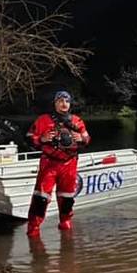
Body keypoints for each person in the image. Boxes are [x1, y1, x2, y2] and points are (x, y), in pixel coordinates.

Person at [25, 90, 91, 237]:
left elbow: (87, 139)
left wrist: (81, 138)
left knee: (67, 198)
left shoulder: (77, 121)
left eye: (67, 101)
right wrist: (42, 139)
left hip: (69, 164)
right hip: (49, 163)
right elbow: (29, 137)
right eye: (60, 101)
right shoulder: (43, 120)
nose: (64, 104)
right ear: (55, 103)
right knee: (41, 198)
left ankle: (65, 226)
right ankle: (33, 230)